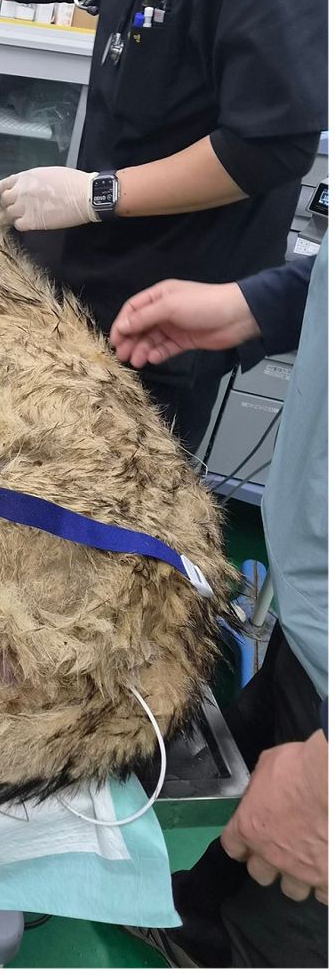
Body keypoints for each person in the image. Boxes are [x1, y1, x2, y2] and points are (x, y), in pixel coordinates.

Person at [0, 0, 328, 455]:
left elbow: (267, 147)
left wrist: (97, 195)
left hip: (166, 315)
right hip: (87, 282)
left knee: (102, 483)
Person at [108, 248, 328, 966]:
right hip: (314, 626)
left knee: (285, 919)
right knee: (239, 834)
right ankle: (193, 929)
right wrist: (255, 306)